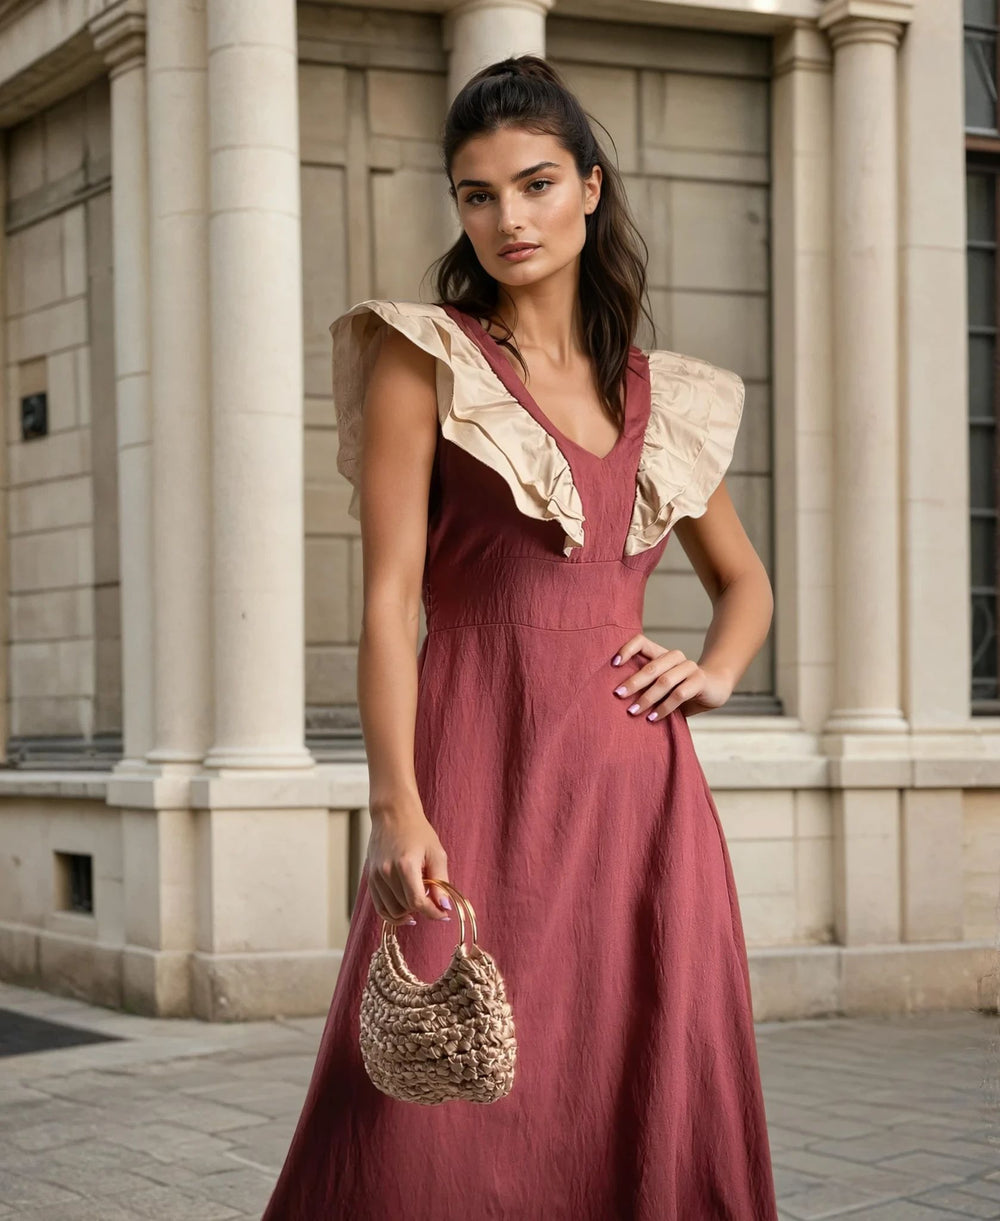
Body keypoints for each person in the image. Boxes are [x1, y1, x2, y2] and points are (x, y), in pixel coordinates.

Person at [260, 54, 779, 1221]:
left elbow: (744, 582)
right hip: (474, 766)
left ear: (589, 187)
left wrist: (714, 671)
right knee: (417, 1101)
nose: (509, 219)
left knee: (630, 1068)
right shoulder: (425, 358)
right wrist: (395, 807)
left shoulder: (662, 398)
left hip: (636, 792)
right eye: (477, 194)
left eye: (536, 184)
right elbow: (389, 600)